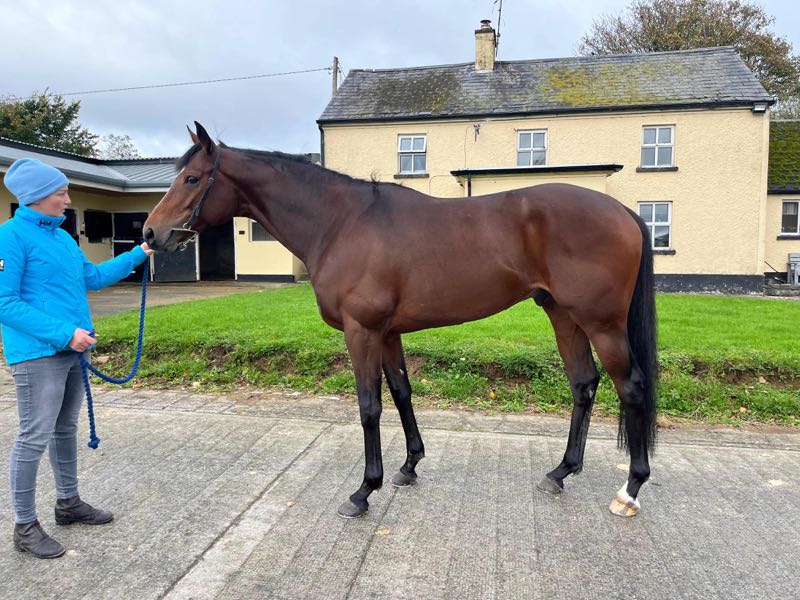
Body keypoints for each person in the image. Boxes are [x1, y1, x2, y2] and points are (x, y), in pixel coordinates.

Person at [0, 158, 154, 559]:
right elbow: (4, 302)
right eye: (61, 193)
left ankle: (68, 503)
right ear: (36, 196)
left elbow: (93, 278)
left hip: (72, 351)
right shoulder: (10, 236)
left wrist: (139, 253)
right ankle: (24, 526)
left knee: (64, 429)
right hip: (38, 354)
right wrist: (65, 333)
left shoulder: (62, 238)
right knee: (33, 436)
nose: (68, 200)